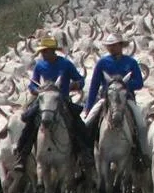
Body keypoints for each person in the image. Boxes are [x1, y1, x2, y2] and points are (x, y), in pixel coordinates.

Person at [14, 36, 94, 172]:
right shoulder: (39, 65)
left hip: (62, 100)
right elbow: (32, 84)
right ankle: (22, 156)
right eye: (42, 52)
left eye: (45, 51)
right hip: (43, 101)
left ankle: (85, 154)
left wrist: (74, 85)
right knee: (29, 124)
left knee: (78, 124)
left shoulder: (66, 64)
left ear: (53, 51)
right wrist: (37, 90)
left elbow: (80, 80)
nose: (43, 54)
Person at [84, 32, 150, 167]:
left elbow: (139, 83)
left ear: (121, 45)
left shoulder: (131, 62)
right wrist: (89, 106)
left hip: (127, 99)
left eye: (114, 45)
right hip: (106, 99)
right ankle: (87, 154)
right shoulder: (102, 62)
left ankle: (142, 154)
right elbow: (94, 85)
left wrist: (123, 85)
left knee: (142, 125)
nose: (112, 48)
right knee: (88, 123)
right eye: (109, 46)